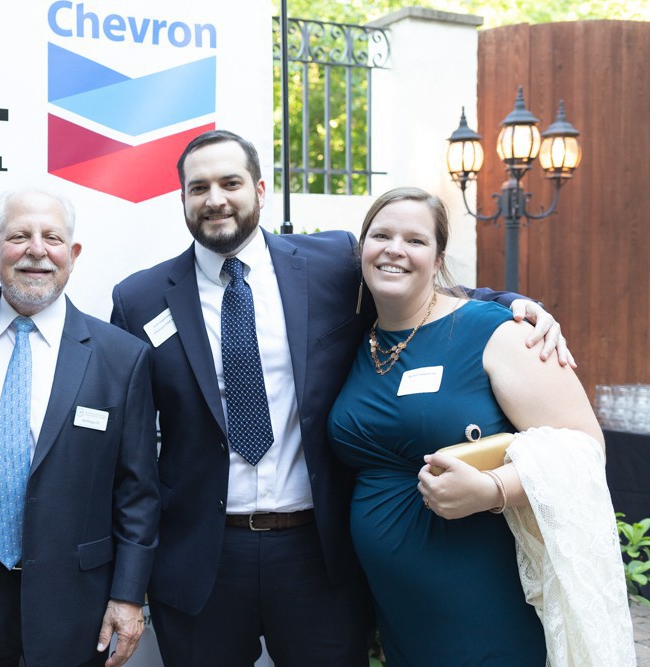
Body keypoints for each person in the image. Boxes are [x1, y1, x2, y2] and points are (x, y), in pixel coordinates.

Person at [110, 131, 570, 666]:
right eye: (199, 187)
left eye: (230, 183)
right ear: (182, 198)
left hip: (317, 556)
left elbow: (420, 285)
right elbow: (130, 455)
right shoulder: (139, 299)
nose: (216, 199)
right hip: (199, 560)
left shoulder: (330, 263)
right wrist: (128, 581)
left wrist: (515, 303)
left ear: (260, 189)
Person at [327, 187, 633, 665]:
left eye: (415, 240)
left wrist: (492, 489)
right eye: (381, 235)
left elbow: (586, 448)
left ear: (438, 259)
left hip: (485, 599)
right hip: (401, 616)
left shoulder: (499, 333)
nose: (394, 249)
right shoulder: (358, 337)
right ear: (361, 248)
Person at [0, 188, 159, 667]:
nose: (36, 250)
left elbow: (138, 493)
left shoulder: (121, 357)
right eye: (18, 237)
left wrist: (129, 595)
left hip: (75, 592)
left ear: (73, 253)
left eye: (52, 237)